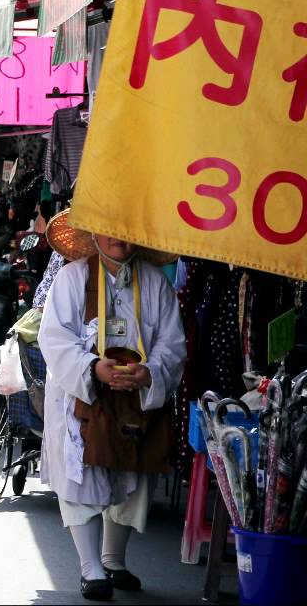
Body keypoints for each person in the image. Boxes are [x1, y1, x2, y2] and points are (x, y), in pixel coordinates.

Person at [37, 210, 184, 601]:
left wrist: (150, 372)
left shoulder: (155, 284)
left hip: (134, 401)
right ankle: (90, 568)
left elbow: (173, 343)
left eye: (127, 228)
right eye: (111, 228)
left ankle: (113, 560)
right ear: (92, 233)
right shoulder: (72, 278)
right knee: (81, 476)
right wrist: (92, 368)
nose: (120, 236)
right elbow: (53, 340)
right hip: (81, 398)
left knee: (132, 476)